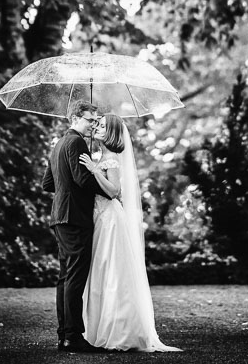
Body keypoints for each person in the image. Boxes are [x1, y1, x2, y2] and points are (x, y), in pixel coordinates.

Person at [77, 113, 181, 352]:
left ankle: (120, 330)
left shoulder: (111, 158)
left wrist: (94, 170)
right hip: (99, 217)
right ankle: (98, 329)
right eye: (97, 125)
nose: (98, 128)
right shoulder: (101, 155)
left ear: (112, 132)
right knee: (101, 272)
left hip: (110, 219)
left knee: (111, 271)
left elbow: (113, 191)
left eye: (103, 126)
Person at [42, 100, 110, 353]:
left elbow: (48, 184)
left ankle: (65, 335)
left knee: (66, 276)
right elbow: (82, 180)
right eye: (90, 120)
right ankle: (72, 336)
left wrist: (71, 184)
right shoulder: (77, 142)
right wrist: (104, 187)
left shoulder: (59, 144)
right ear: (75, 118)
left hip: (60, 216)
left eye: (96, 121)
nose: (94, 125)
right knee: (75, 276)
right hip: (75, 217)